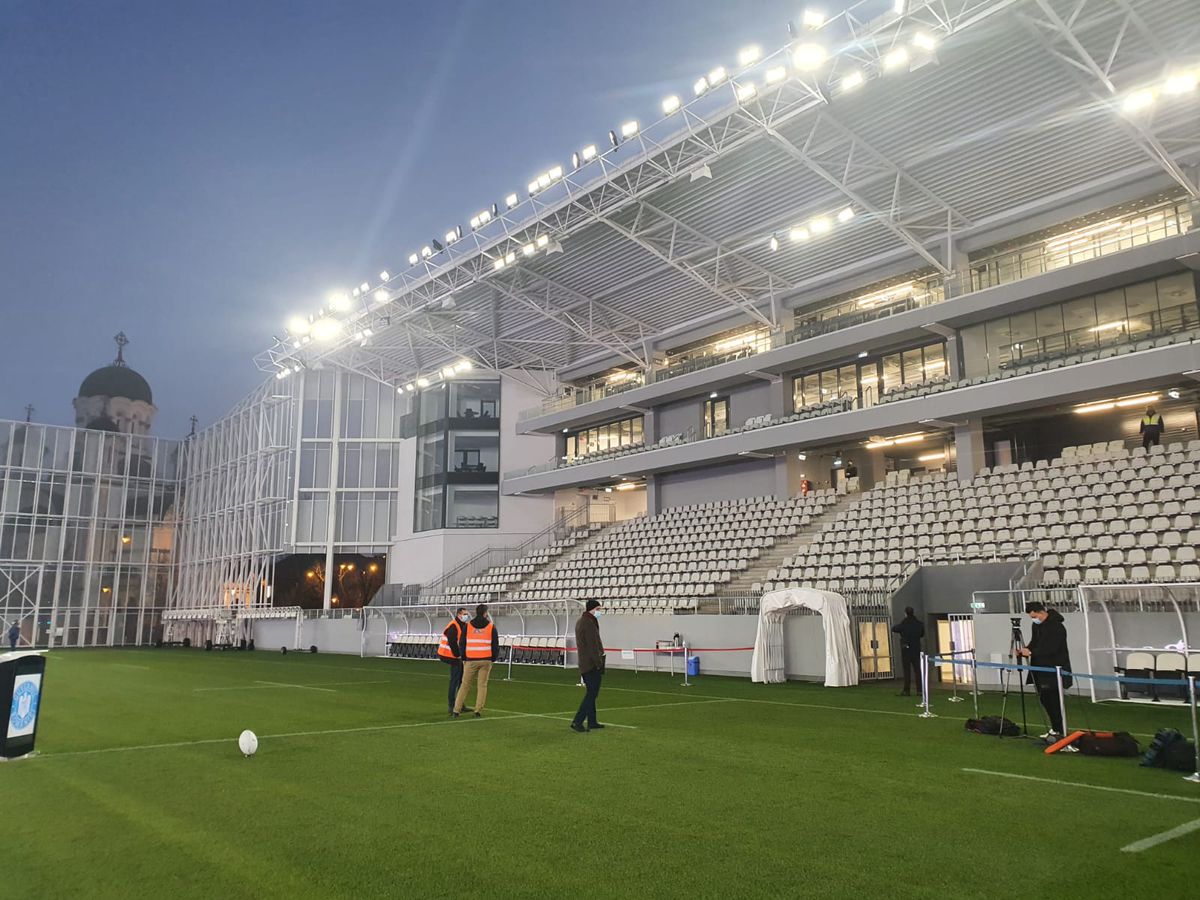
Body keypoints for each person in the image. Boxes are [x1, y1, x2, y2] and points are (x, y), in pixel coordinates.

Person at [1017, 601, 1072, 741]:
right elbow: (1034, 642)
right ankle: (1055, 729)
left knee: (1054, 701)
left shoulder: (1057, 627)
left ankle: (1061, 730)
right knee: (1045, 699)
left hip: (1054, 670)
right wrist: (1026, 650)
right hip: (1040, 670)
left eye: (1035, 616)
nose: (1034, 619)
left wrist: (1031, 653)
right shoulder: (1036, 626)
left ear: (1042, 612)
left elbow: (1051, 649)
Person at [453, 604, 499, 718]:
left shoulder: (468, 626)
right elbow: (495, 645)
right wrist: (493, 658)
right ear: (485, 613)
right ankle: (478, 710)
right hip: (486, 660)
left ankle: (456, 710)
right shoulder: (491, 626)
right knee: (482, 686)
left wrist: (464, 658)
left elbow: (462, 643)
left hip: (471, 660)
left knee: (465, 685)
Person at [570, 600, 606, 733]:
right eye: (598, 609)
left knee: (592, 692)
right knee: (592, 693)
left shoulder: (582, 621)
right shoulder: (589, 623)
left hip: (585, 662)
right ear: (592, 609)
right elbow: (592, 646)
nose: (599, 612)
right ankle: (578, 720)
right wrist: (598, 663)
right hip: (590, 663)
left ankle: (592, 721)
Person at [438, 607, 469, 716]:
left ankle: (459, 703)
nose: (466, 616)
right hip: (449, 655)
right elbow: (452, 642)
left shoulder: (462, 625)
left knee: (461, 680)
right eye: (464, 614)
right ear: (459, 614)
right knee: (455, 681)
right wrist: (458, 655)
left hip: (455, 656)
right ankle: (452, 705)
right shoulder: (453, 625)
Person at [891, 607, 924, 696]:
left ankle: (906, 690)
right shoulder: (919, 624)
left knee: (907, 671)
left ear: (905, 613)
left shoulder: (904, 623)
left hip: (906, 650)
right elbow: (922, 634)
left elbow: (894, 628)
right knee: (918, 670)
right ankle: (920, 690)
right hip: (916, 649)